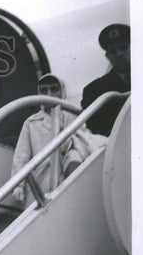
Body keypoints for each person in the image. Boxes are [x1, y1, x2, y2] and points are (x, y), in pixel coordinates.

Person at [11, 73, 100, 206]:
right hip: (41, 181)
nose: (49, 94)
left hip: (67, 177)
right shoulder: (31, 123)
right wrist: (18, 185)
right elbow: (21, 157)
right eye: (44, 91)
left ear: (62, 91)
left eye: (54, 89)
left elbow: (84, 144)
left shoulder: (74, 116)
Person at [81, 24, 130, 136]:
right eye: (113, 51)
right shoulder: (94, 90)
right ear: (108, 56)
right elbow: (95, 128)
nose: (119, 54)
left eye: (123, 47)